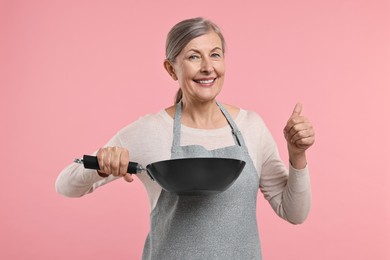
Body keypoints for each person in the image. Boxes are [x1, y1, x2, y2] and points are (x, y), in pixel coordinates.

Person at [56, 17, 315, 260]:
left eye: (215, 55)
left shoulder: (251, 126)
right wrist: (102, 166)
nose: (207, 67)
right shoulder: (149, 130)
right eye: (193, 56)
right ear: (171, 69)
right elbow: (65, 186)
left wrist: (297, 154)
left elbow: (294, 212)